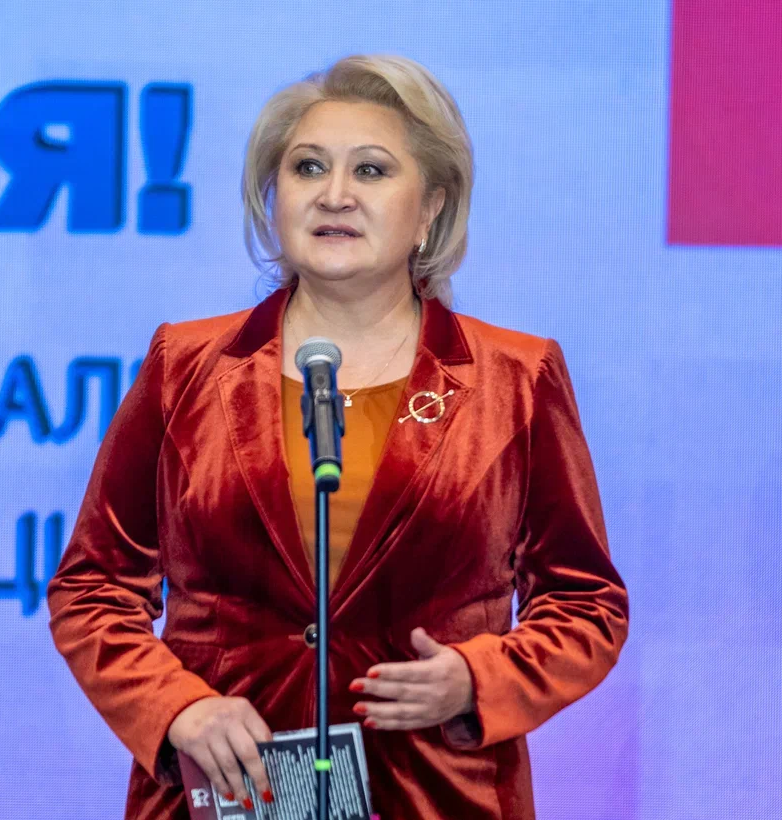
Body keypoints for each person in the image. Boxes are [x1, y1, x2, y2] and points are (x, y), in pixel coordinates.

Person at [47, 54, 629, 819]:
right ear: (274, 197)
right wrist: (175, 707)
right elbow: (91, 586)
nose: (335, 194)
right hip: (227, 796)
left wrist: (479, 679)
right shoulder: (183, 365)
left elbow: (585, 603)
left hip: (434, 793)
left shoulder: (515, 379)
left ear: (431, 209)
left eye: (372, 170)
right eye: (308, 167)